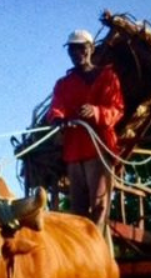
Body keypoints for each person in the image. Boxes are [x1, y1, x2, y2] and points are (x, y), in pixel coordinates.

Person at [46, 29, 124, 229]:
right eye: (72, 50)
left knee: (98, 206)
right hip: (74, 152)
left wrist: (97, 112)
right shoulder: (64, 83)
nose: (76, 54)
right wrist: (57, 118)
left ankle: (95, 251)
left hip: (98, 149)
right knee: (78, 211)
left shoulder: (108, 77)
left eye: (80, 48)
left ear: (90, 49)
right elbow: (56, 107)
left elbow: (117, 110)